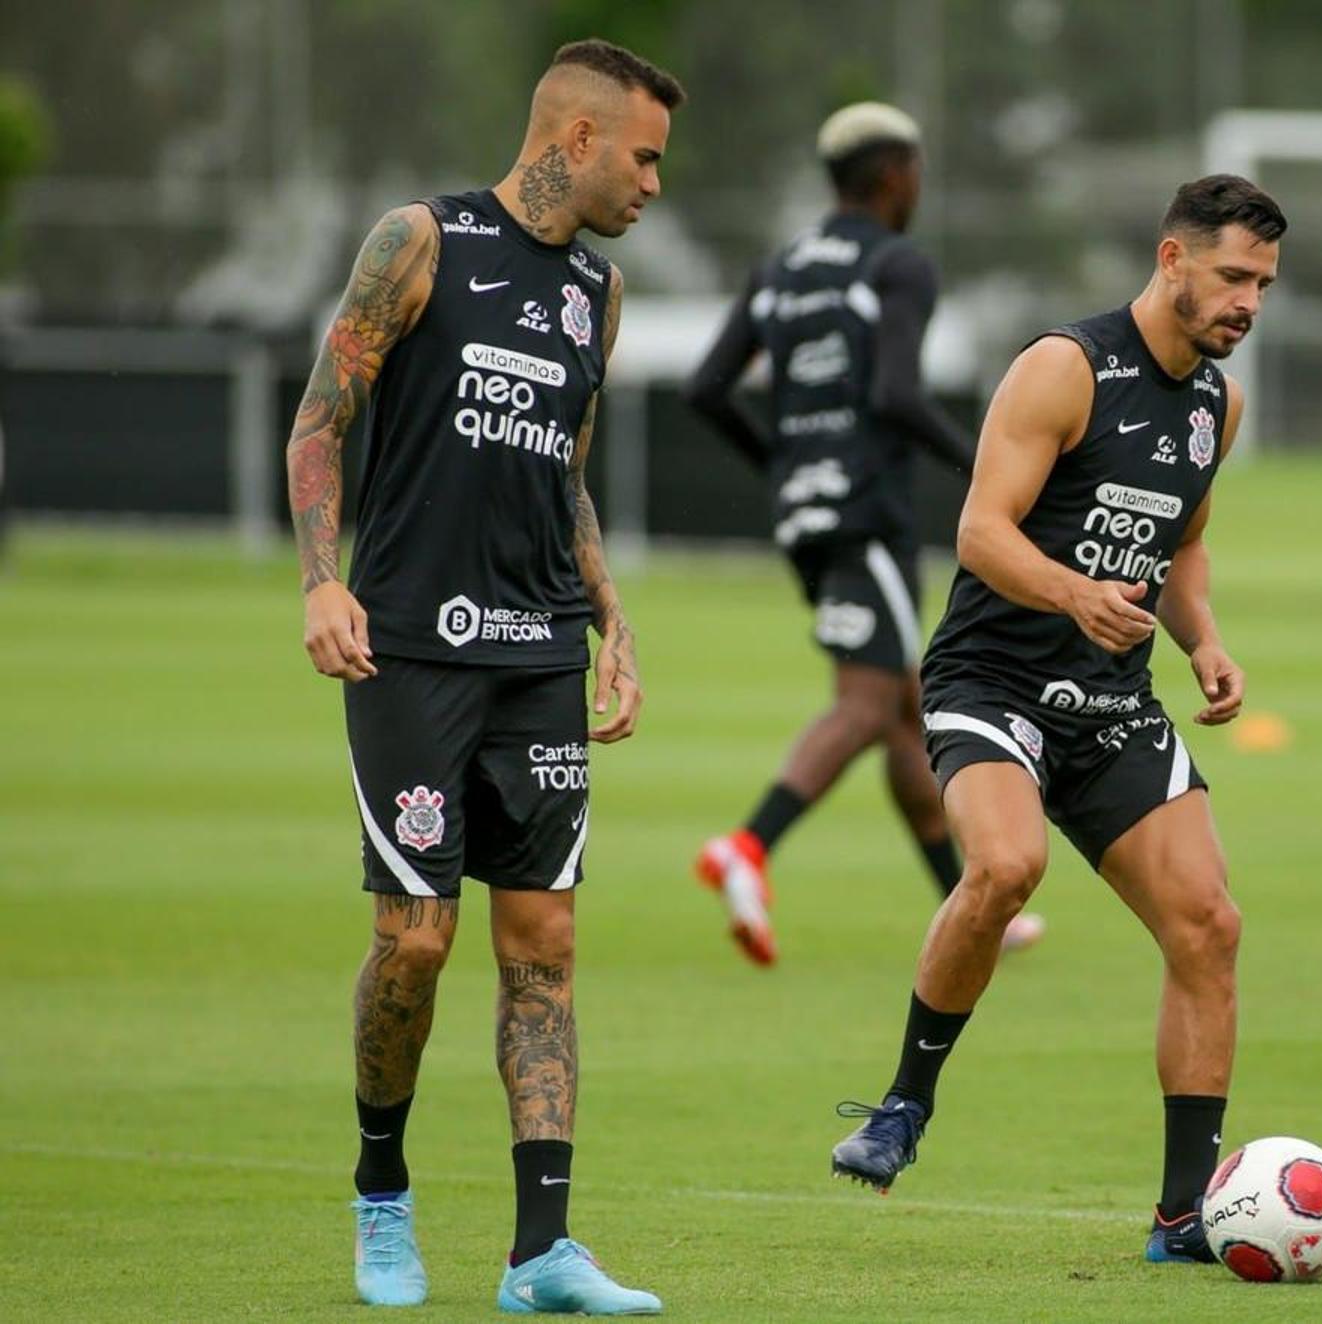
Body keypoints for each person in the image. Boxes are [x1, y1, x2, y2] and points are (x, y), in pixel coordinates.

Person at [286, 38, 681, 1314]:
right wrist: (321, 579)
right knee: (416, 941)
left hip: (537, 655)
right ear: (574, 139)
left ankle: (541, 1255)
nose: (653, 184)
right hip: (408, 645)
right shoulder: (421, 241)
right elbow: (320, 418)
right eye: (644, 156)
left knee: (544, 946)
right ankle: (382, 1197)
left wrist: (609, 614)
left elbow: (561, 471)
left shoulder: (598, 298)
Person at [828, 175, 1287, 1265]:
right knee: (1003, 867)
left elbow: (1181, 544)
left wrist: (1205, 640)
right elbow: (982, 530)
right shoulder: (1064, 368)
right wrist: (1073, 591)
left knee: (1209, 926)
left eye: (1264, 284)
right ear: (1172, 260)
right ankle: (902, 1107)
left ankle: (1183, 1216)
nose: (1249, 303)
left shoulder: (1216, 404)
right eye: (1232, 276)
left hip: (1111, 705)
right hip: (994, 682)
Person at [684, 102, 1043, 966]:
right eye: (916, 171)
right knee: (869, 703)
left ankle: (975, 902)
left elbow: (706, 388)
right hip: (866, 516)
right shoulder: (898, 264)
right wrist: (986, 468)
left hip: (804, 516)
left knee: (909, 710)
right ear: (892, 176)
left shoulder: (782, 267)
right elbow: (895, 397)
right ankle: (749, 845)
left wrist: (781, 461)